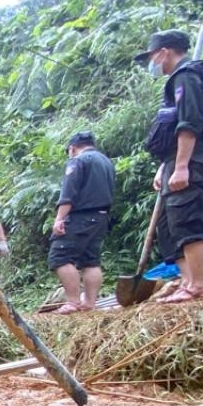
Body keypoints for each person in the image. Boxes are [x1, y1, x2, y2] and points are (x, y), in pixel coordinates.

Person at [139, 29, 203, 303]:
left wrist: (181, 167)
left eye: (152, 56)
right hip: (178, 158)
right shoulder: (181, 78)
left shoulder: (186, 77)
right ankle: (188, 281)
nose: (151, 63)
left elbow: (189, 123)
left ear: (164, 51)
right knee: (171, 222)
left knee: (188, 215)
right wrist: (166, 166)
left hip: (192, 157)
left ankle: (200, 284)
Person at [48, 131, 116, 314]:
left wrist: (60, 218)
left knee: (60, 255)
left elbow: (68, 193)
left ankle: (73, 301)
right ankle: (90, 303)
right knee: (90, 259)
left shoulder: (78, 161)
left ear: (72, 148)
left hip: (82, 216)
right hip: (102, 216)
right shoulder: (106, 162)